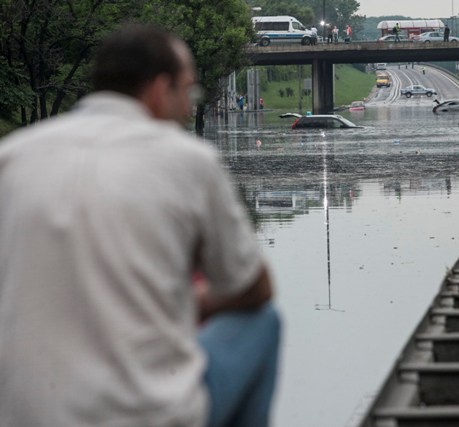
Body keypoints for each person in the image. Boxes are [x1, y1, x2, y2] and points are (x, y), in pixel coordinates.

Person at [0, 24, 280, 427]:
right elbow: (255, 288)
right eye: (188, 92)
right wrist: (191, 301)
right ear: (158, 89)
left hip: (24, 414)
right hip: (142, 414)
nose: (188, 108)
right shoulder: (188, 160)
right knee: (263, 322)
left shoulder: (13, 157)